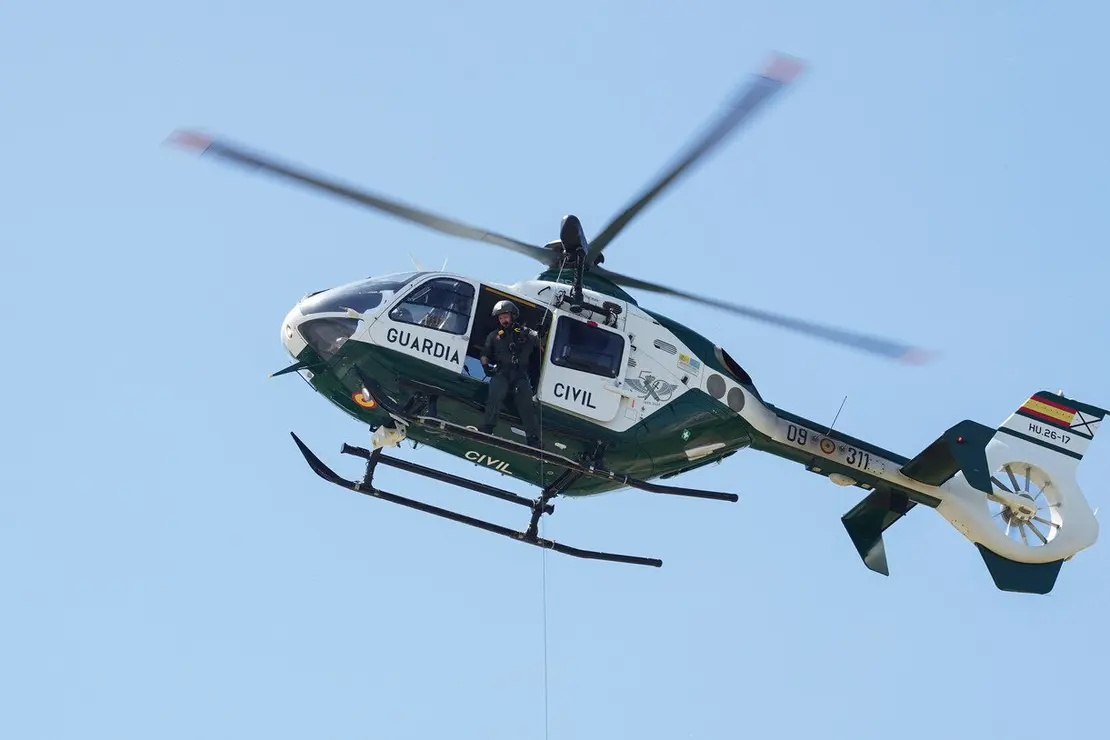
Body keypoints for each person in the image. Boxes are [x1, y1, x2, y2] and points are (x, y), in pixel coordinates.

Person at [480, 299, 542, 447]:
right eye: (500, 318)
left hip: (520, 375)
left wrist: (540, 333)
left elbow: (539, 342)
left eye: (505, 317)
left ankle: (533, 440)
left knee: (526, 405)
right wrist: (485, 367)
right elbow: (485, 353)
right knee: (495, 396)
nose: (503, 320)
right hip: (502, 372)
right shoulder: (494, 335)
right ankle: (487, 428)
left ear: (513, 316)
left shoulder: (526, 334)